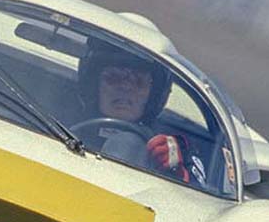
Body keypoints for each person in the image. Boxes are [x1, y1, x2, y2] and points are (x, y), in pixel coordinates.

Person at [76, 40, 199, 185]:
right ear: (94, 84)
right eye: (114, 78)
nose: (126, 87)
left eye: (139, 81)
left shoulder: (171, 150)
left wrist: (176, 172)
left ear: (153, 95)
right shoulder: (54, 121)